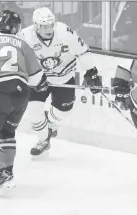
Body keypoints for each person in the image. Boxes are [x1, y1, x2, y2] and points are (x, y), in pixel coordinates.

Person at [0, 10, 48, 197]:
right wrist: (42, 83)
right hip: (21, 95)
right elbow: (36, 79)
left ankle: (2, 174)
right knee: (7, 132)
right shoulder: (24, 43)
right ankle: (8, 173)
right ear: (15, 27)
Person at [17, 7, 102, 156]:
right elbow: (17, 61)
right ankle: (43, 140)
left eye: (51, 25)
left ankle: (49, 121)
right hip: (38, 80)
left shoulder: (64, 32)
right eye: (44, 26)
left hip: (64, 77)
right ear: (36, 26)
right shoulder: (24, 36)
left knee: (64, 110)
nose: (49, 29)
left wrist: (91, 71)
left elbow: (82, 51)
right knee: (34, 114)